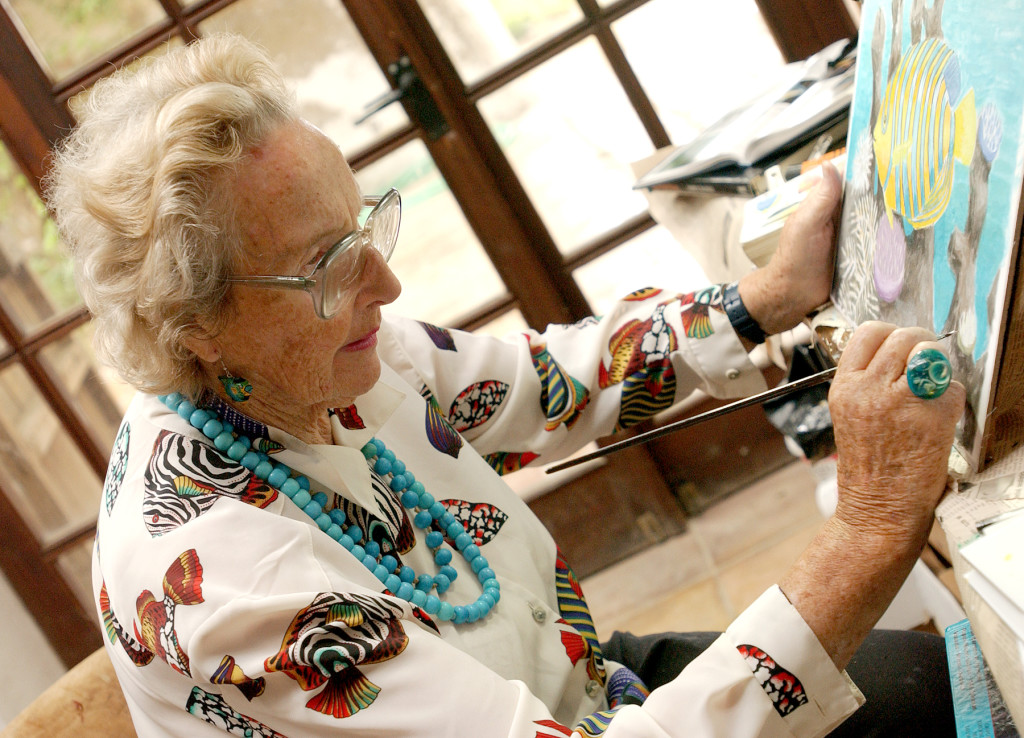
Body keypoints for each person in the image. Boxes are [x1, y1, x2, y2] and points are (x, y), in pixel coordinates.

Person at [47, 34, 965, 737]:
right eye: (327, 265)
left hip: (587, 685)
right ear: (194, 328)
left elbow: (547, 383)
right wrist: (871, 528)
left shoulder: (309, 360)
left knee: (958, 694)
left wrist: (764, 300)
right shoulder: (230, 586)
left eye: (365, 226)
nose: (387, 286)